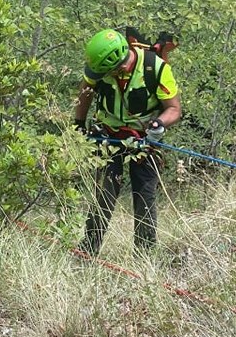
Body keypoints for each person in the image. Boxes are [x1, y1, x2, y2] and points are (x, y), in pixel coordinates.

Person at [74, 28, 181, 254]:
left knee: (144, 195)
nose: (106, 76)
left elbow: (173, 109)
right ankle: (87, 251)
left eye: (110, 72)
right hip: (107, 135)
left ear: (121, 65)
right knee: (104, 193)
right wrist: (78, 123)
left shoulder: (156, 69)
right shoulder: (98, 69)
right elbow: (85, 93)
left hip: (144, 140)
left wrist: (159, 124)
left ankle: (144, 256)